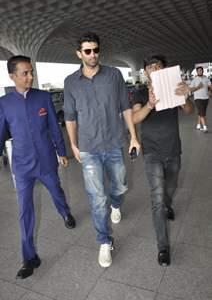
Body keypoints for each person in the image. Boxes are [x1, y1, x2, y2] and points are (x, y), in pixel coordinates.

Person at [64, 32, 140, 268]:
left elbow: (126, 107)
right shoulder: (70, 82)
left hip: (114, 142)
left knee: (120, 186)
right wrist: (74, 145)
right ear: (79, 53)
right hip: (88, 149)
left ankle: (116, 204)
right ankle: (104, 241)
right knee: (97, 198)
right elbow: (70, 116)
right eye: (87, 50)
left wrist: (134, 138)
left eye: (95, 49)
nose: (92, 54)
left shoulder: (114, 75)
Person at [0, 55, 76, 279]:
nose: (30, 77)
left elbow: (54, 126)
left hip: (45, 161)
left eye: (31, 72)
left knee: (56, 191)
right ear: (12, 76)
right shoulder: (4, 104)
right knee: (24, 211)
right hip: (22, 166)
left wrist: (62, 152)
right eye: (25, 73)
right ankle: (29, 257)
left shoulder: (43, 98)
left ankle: (65, 213)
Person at [132, 55, 193, 266]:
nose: (155, 68)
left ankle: (167, 204)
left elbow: (189, 111)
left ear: (164, 69)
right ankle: (163, 247)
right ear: (145, 72)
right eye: (150, 66)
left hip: (173, 149)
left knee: (170, 188)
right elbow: (134, 118)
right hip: (152, 153)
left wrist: (185, 96)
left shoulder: (174, 87)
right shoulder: (140, 93)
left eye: (159, 65)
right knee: (157, 199)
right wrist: (149, 104)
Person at [189, 66, 212, 132]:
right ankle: (205, 127)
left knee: (201, 112)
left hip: (206, 98)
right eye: (198, 71)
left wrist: (210, 91)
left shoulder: (206, 79)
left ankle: (198, 125)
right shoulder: (194, 80)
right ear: (197, 72)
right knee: (202, 112)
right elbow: (191, 89)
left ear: (203, 71)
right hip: (198, 98)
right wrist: (198, 87)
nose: (199, 72)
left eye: (201, 70)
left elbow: (210, 86)